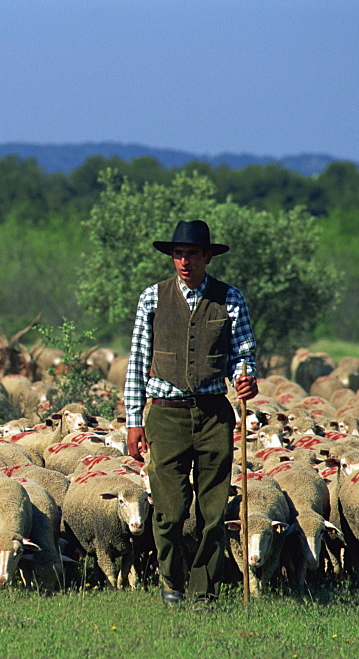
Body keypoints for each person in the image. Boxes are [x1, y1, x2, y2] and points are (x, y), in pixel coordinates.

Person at [124, 220, 258, 607]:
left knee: (213, 513)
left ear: (208, 256)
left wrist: (246, 379)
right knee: (169, 510)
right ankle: (172, 585)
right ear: (172, 257)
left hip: (215, 413)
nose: (185, 261)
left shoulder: (230, 298)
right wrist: (134, 420)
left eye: (193, 254)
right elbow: (137, 361)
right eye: (178, 254)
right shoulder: (152, 298)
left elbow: (243, 354)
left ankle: (204, 591)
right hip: (165, 414)